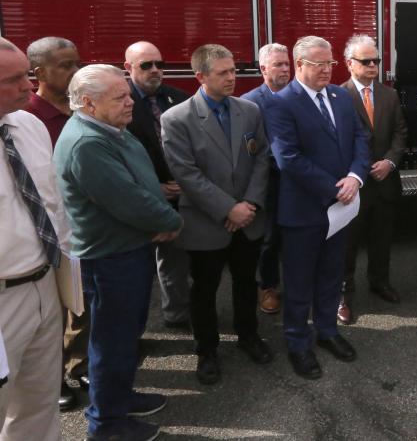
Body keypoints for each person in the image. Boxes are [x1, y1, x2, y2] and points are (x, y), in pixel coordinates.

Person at [55, 63, 182, 441]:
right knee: (111, 342)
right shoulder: (87, 143)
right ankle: (107, 424)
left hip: (129, 249)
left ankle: (120, 398)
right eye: (120, 97)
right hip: (109, 259)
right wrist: (170, 221)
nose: (131, 102)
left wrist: (157, 215)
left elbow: (141, 185)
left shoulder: (110, 128)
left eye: (128, 94)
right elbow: (129, 200)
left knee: (126, 336)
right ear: (89, 105)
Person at [161, 44, 273, 385]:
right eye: (223, 73)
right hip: (207, 222)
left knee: (245, 281)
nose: (232, 78)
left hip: (248, 220)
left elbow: (262, 158)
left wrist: (249, 205)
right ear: (200, 76)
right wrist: (229, 208)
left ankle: (248, 335)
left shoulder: (249, 110)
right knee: (205, 288)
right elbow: (186, 174)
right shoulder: (177, 118)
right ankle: (206, 350)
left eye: (233, 71)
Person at [263, 36, 369, 379]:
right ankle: (297, 343)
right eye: (318, 64)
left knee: (330, 275)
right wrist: (334, 189)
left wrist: (355, 176)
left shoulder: (340, 95)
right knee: (298, 281)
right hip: (304, 211)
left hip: (341, 208)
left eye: (330, 64)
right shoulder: (281, 103)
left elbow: (359, 139)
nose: (326, 70)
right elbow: (288, 159)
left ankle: (327, 332)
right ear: (299, 65)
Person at [0, 37, 72, 440]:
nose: (29, 87)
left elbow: (51, 203)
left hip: (44, 285)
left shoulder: (29, 125)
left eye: (26, 75)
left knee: (39, 404)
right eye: (13, 80)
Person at [22, 36, 86, 412]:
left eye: (77, 62)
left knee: (80, 306)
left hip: (82, 228)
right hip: (48, 235)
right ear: (39, 73)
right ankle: (55, 376)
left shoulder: (81, 110)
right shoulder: (30, 119)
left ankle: (78, 366)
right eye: (66, 65)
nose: (75, 71)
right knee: (53, 315)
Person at [123, 41, 192, 334]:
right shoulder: (118, 102)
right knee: (135, 272)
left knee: (174, 260)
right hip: (139, 200)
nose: (155, 71)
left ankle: (177, 315)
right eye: (146, 65)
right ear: (128, 68)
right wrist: (155, 188)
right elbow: (120, 158)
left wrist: (186, 184)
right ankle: (132, 332)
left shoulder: (179, 98)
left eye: (159, 64)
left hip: (180, 195)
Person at [340, 35, 408, 324]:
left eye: (376, 61)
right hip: (353, 186)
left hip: (384, 183)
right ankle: (342, 293)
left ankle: (379, 281)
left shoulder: (389, 95)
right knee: (347, 244)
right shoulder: (338, 95)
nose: (373, 66)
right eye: (366, 61)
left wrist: (390, 161)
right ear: (349, 63)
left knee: (382, 238)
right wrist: (359, 169)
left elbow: (401, 132)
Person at [240, 42, 292, 315]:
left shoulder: (301, 96)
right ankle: (268, 286)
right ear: (263, 69)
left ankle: (299, 285)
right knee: (269, 237)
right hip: (269, 182)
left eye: (287, 64)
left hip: (300, 182)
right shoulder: (250, 103)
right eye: (278, 65)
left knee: (300, 235)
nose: (285, 69)